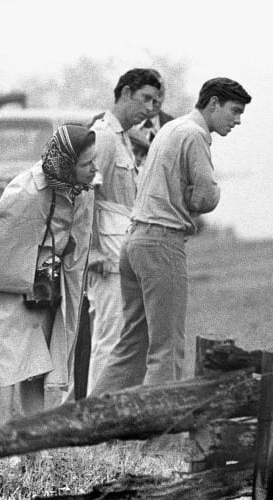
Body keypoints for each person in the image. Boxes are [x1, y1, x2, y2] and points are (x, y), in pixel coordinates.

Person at [92, 77, 251, 394]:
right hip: (161, 242)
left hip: (133, 241)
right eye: (234, 111)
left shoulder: (171, 128)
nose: (237, 120)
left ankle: (90, 421)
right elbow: (206, 197)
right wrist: (197, 197)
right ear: (213, 103)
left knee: (132, 344)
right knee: (167, 345)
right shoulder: (194, 135)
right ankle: (161, 427)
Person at [0, 125, 97, 423]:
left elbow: (77, 245)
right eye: (86, 164)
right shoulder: (27, 191)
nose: (94, 169)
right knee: (3, 368)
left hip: (46, 288)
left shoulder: (82, 190)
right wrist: (26, 271)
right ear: (66, 164)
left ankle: (34, 443)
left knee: (35, 367)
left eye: (94, 161)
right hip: (5, 285)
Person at [84, 68, 161, 395]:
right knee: (109, 337)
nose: (151, 107)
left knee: (124, 338)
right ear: (126, 93)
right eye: (145, 98)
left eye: (156, 101)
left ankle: (110, 413)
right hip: (107, 254)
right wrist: (93, 250)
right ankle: (94, 419)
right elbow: (84, 193)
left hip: (124, 249)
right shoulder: (102, 135)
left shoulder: (124, 140)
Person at [135, 70, 174, 143]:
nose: (157, 101)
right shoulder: (124, 124)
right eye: (149, 96)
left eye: (160, 94)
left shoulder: (174, 127)